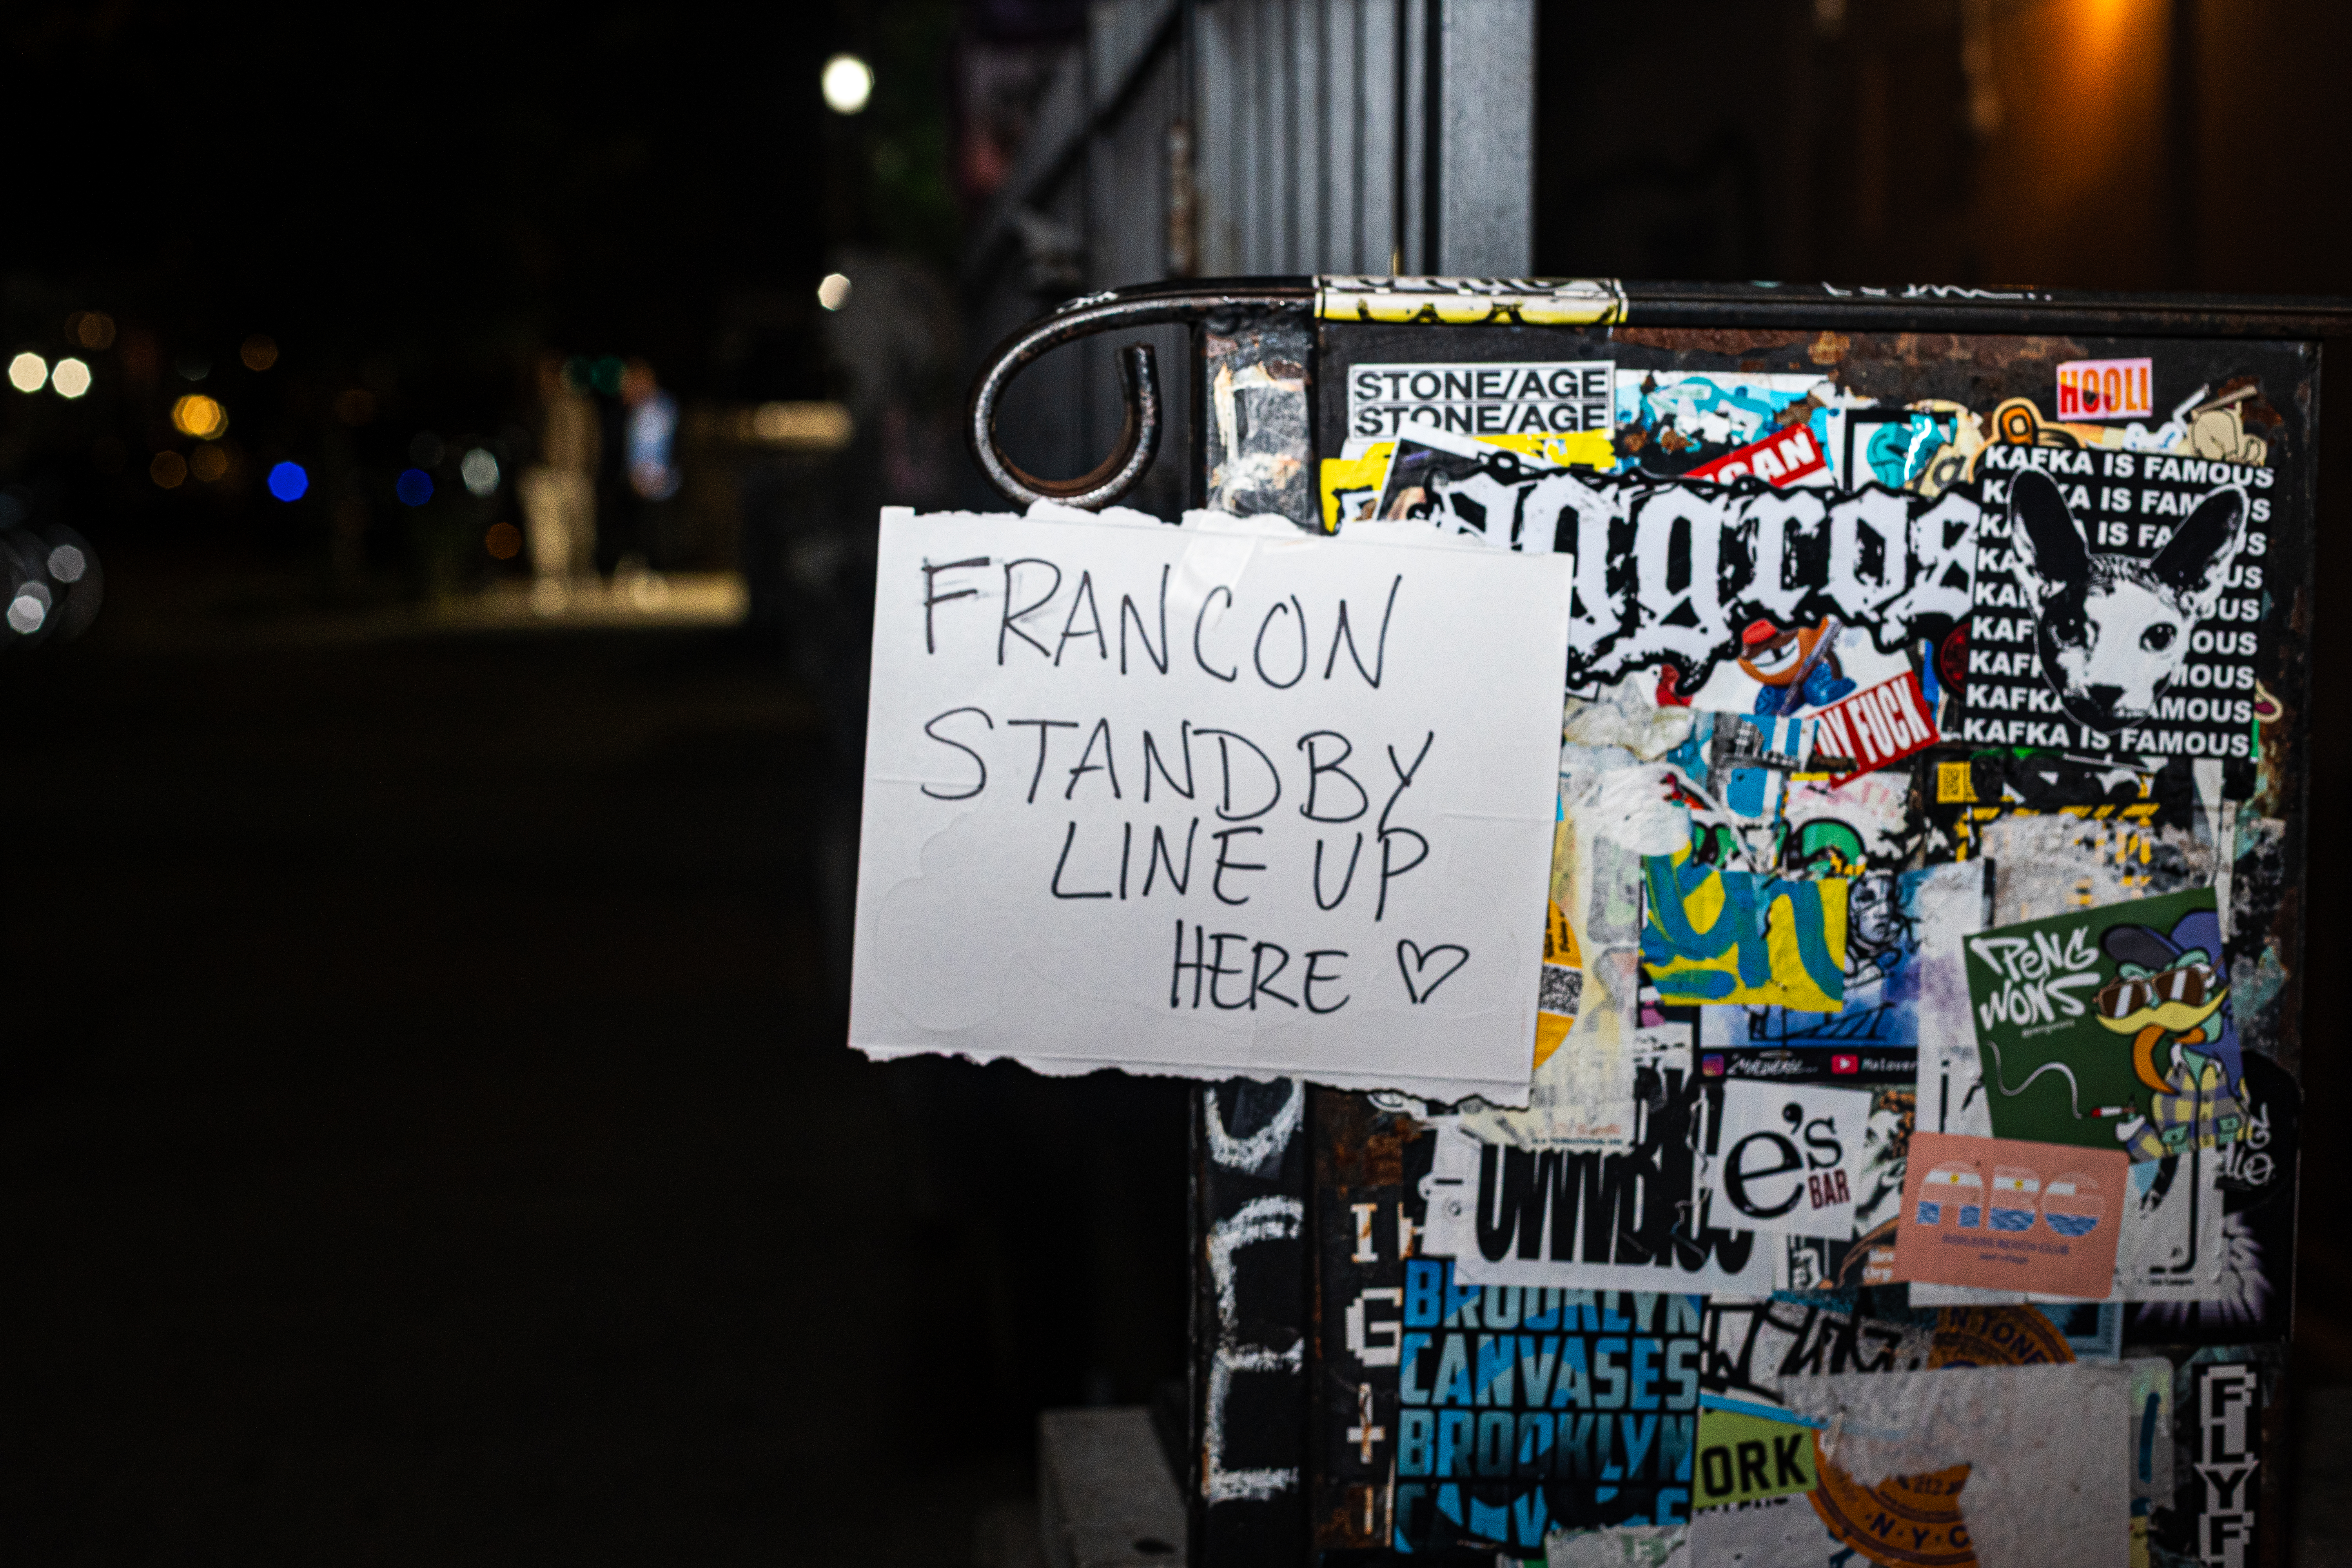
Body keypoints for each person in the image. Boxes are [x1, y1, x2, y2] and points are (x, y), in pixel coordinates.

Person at [517, 353, 599, 606]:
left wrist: (587, 471)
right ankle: (551, 583)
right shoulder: (533, 407)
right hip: (544, 478)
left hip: (575, 477)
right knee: (548, 534)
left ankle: (579, 581)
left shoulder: (579, 405)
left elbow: (592, 442)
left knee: (580, 534)